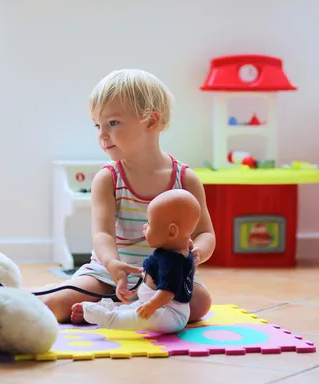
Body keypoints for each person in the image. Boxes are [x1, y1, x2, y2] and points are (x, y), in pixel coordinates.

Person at [40, 69, 215, 324]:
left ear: (151, 121)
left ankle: (112, 311)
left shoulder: (185, 179)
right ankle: (121, 308)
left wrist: (197, 252)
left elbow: (205, 233)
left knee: (201, 303)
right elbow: (103, 234)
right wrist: (112, 264)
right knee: (52, 304)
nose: (102, 134)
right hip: (108, 276)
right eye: (97, 125)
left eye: (113, 123)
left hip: (165, 277)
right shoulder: (109, 178)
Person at [79, 189, 200, 333]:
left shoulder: (172, 262)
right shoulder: (179, 250)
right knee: (133, 308)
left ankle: (109, 319)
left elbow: (168, 293)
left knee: (138, 317)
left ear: (172, 232)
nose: (144, 226)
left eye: (149, 223)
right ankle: (111, 309)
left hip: (169, 314)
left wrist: (151, 305)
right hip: (156, 305)